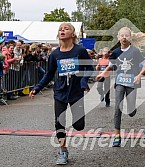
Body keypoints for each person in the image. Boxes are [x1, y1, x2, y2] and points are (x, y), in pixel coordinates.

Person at [29, 22, 93, 165]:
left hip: (76, 92)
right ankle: (63, 151)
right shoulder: (55, 54)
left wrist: (83, 81)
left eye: (66, 28)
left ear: (73, 34)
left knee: (79, 126)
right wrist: (38, 87)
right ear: (58, 34)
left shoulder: (80, 50)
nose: (62, 30)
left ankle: (76, 122)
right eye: (60, 29)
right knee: (59, 122)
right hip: (60, 91)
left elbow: (89, 67)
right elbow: (49, 74)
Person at [96, 27, 145, 147]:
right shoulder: (115, 52)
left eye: (126, 35)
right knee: (117, 108)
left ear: (130, 37)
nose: (124, 37)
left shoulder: (135, 51)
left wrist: (139, 75)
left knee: (130, 112)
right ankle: (117, 136)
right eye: (122, 35)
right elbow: (110, 65)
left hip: (132, 82)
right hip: (120, 82)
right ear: (118, 38)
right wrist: (102, 74)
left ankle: (132, 109)